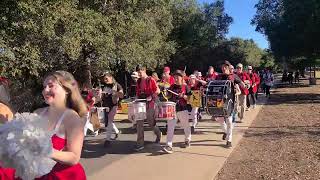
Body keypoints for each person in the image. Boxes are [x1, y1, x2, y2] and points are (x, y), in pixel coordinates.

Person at [0, 70, 87, 179]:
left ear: (67, 90)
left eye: (51, 86)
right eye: (44, 86)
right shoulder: (38, 113)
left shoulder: (72, 118)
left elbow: (74, 157)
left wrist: (48, 151)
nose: (45, 90)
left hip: (60, 175)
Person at [215, 62, 245, 148]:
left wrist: (245, 86)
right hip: (219, 101)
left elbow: (241, 83)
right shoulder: (219, 76)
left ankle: (229, 140)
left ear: (228, 67)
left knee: (229, 121)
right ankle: (225, 132)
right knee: (220, 119)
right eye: (222, 67)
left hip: (229, 102)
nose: (223, 68)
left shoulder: (233, 76)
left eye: (225, 67)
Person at [162, 70, 192, 154]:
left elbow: (191, 99)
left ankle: (187, 140)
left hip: (183, 109)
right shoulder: (171, 87)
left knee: (186, 126)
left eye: (177, 77)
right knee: (170, 128)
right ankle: (169, 145)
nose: (175, 79)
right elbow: (168, 96)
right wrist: (166, 93)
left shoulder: (186, 87)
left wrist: (184, 96)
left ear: (182, 77)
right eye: (174, 77)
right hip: (172, 109)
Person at [135, 65, 162, 151]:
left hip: (151, 103)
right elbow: (137, 93)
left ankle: (158, 133)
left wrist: (151, 96)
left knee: (151, 123)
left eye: (140, 72)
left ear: (144, 70)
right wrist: (136, 99)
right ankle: (140, 143)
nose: (139, 74)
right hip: (141, 103)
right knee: (139, 123)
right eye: (138, 72)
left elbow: (158, 91)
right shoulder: (138, 81)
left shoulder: (151, 79)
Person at [100, 72, 123, 147]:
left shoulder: (117, 85)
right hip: (106, 106)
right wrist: (100, 94)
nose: (105, 80)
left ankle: (108, 140)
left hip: (114, 106)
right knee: (107, 121)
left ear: (111, 77)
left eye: (106, 78)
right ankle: (116, 131)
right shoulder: (104, 86)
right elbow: (102, 97)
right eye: (104, 79)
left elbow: (121, 95)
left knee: (109, 121)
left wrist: (113, 92)